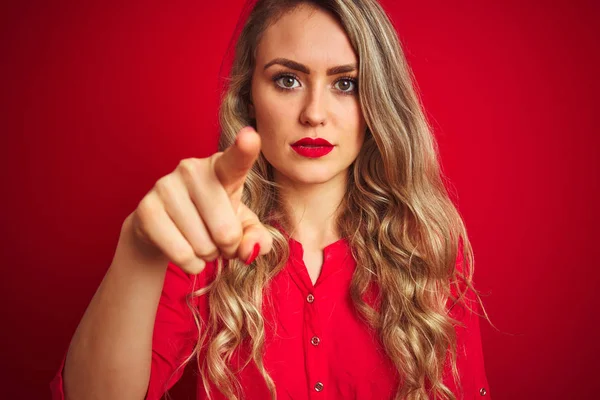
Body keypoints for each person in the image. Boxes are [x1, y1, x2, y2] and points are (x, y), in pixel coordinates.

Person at [50, 0, 493, 399]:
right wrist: (138, 247)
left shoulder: (426, 249)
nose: (314, 113)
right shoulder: (203, 244)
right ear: (249, 97)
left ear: (377, 100)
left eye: (346, 84)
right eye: (287, 80)